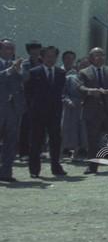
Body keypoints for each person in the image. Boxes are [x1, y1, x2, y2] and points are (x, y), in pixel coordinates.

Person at [26, 46, 67, 178]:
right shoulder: (34, 72)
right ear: (42, 57)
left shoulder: (61, 73)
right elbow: (28, 93)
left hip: (54, 112)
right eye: (48, 56)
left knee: (55, 140)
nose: (51, 59)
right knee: (36, 141)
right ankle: (34, 169)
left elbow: (61, 92)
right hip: (37, 112)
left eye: (53, 56)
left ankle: (56, 167)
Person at [79, 48, 108, 174]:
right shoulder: (84, 72)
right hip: (93, 110)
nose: (100, 57)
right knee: (92, 139)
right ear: (91, 57)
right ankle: (92, 166)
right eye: (97, 55)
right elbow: (80, 87)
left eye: (102, 55)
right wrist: (91, 91)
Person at [0, 40, 26, 183]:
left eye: (12, 48)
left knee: (11, 142)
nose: (10, 51)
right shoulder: (7, 67)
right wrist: (10, 71)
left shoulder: (16, 65)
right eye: (7, 48)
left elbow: (26, 79)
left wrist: (19, 70)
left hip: (13, 108)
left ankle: (6, 172)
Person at [18, 40, 43, 160]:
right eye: (33, 49)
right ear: (29, 50)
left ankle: (38, 150)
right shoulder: (25, 63)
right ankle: (24, 152)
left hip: (42, 97)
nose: (36, 51)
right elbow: (24, 78)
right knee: (26, 125)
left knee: (40, 125)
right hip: (28, 98)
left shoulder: (43, 62)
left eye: (37, 48)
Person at [61, 58, 89, 161]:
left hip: (86, 107)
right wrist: (68, 101)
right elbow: (63, 92)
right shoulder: (69, 78)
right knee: (70, 130)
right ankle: (70, 151)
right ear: (77, 66)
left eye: (87, 66)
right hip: (71, 107)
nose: (84, 68)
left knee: (84, 130)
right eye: (82, 65)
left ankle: (84, 151)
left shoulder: (91, 79)